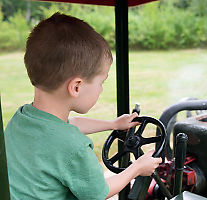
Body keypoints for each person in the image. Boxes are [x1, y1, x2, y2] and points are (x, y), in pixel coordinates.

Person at [4, 13, 162, 200]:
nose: (101, 89)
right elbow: (99, 193)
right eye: (101, 82)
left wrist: (113, 124)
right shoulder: (74, 148)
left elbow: (70, 125)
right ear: (76, 87)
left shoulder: (22, 118)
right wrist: (137, 168)